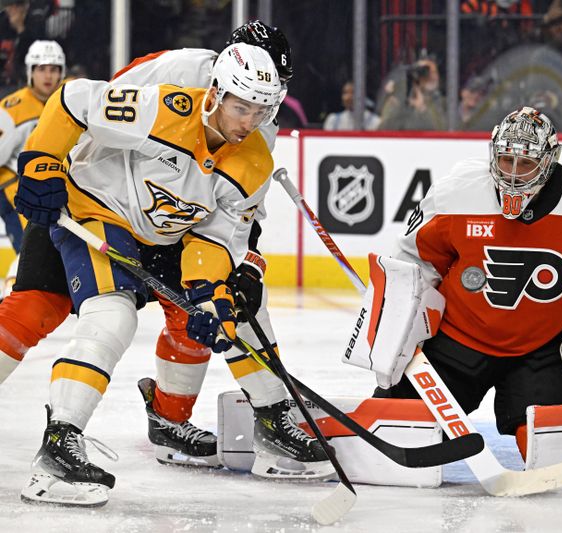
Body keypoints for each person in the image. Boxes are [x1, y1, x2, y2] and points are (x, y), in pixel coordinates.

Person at [0, 22, 332, 482]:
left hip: (172, 226)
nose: (252, 119)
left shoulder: (256, 133)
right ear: (220, 85)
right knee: (45, 307)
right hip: (99, 203)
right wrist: (45, 160)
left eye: (266, 103)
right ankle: (62, 436)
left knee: (225, 308)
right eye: (243, 105)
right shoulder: (176, 84)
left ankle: (238, 417)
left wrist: (220, 283)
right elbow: (81, 105)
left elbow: (225, 225)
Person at [348, 106, 562, 465]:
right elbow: (415, 260)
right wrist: (400, 324)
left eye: (525, 164)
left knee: (555, 458)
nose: (512, 174)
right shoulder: (455, 191)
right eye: (506, 160)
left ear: (551, 160)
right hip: (456, 344)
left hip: (542, 350)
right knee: (393, 439)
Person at [0, 40, 64, 303]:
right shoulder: (12, 109)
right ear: (30, 71)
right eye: (41, 68)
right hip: (19, 189)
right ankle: (11, 300)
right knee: (31, 246)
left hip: (55, 189)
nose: (48, 75)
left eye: (54, 68)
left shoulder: (68, 101)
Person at [380, 57, 445, 131]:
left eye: (434, 72)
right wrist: (396, 104)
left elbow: (444, 132)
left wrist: (422, 109)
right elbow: (383, 132)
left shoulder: (444, 103)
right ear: (415, 76)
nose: (432, 76)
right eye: (424, 72)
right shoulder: (401, 100)